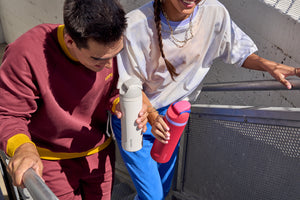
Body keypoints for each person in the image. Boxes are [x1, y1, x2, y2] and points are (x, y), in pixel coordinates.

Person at [111, 0, 300, 199]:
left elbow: (237, 50)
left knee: (164, 186)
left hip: (174, 117)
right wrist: (151, 115)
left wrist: (269, 65)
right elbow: (129, 86)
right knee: (153, 195)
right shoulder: (135, 25)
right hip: (138, 117)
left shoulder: (213, 12)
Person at [0, 0, 147, 199]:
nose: (108, 65)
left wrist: (119, 103)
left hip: (99, 153)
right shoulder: (26, 53)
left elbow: (112, 90)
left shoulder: (107, 51)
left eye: (115, 55)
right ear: (70, 42)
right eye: (98, 59)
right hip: (51, 160)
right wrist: (23, 148)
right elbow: (8, 113)